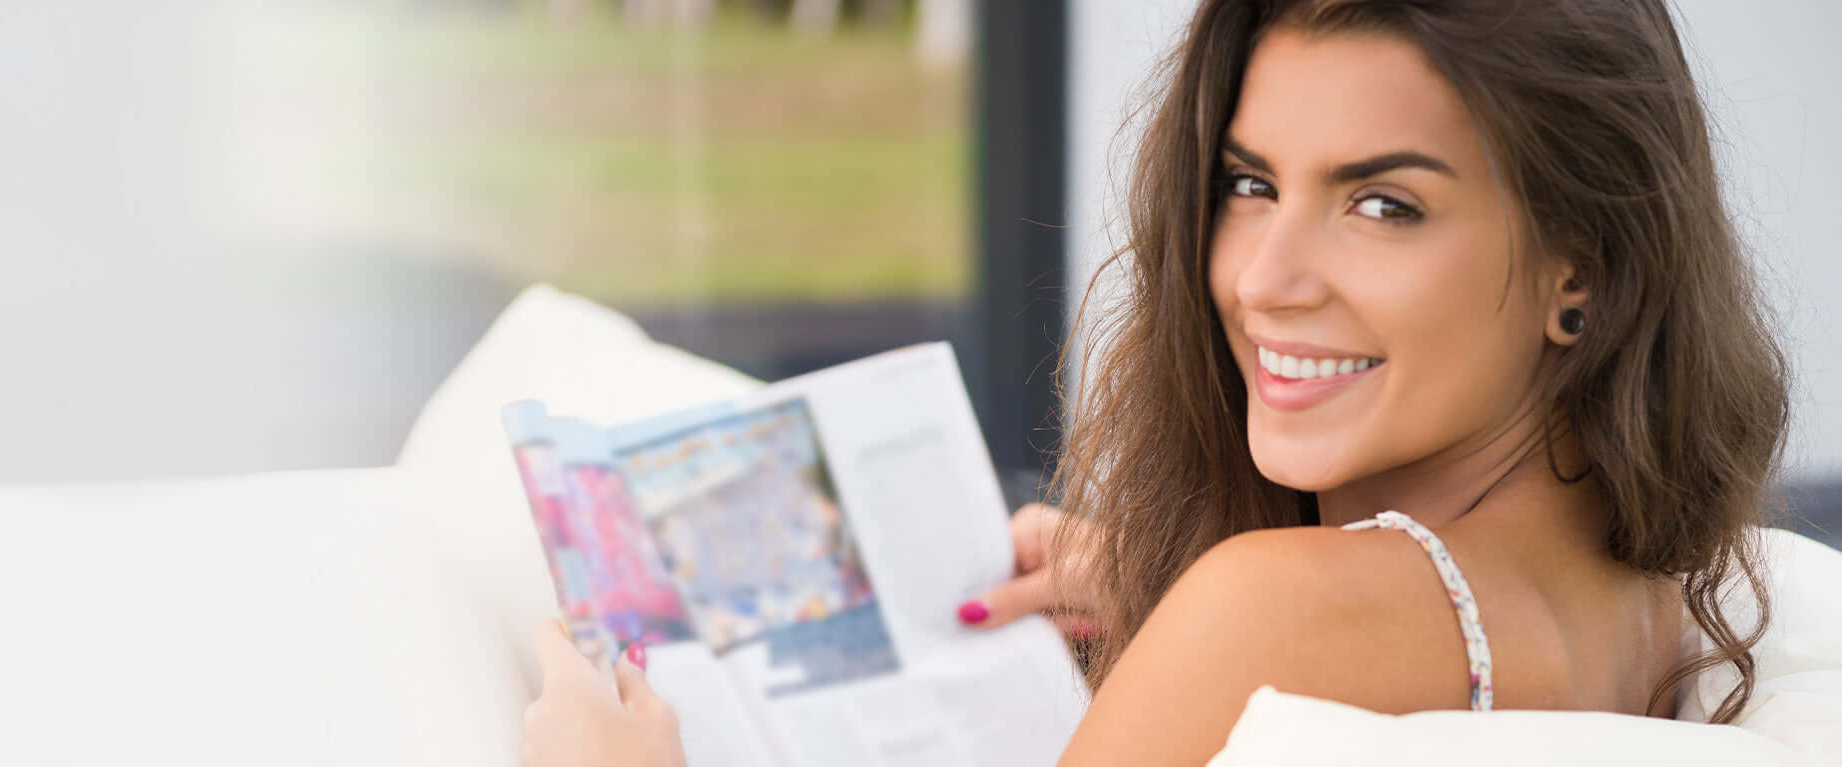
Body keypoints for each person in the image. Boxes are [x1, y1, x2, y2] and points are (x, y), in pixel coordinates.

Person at [521, 0, 1792, 764]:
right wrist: (1161, 597)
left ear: (1586, 264)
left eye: (1384, 204)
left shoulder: (1276, 609)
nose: (1263, 277)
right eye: (1249, 184)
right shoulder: (1656, 590)